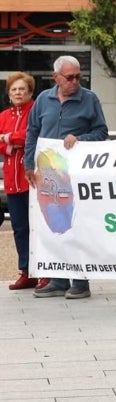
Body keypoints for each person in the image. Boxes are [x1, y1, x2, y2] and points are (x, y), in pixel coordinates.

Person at [27, 55, 109, 300]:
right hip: (49, 176)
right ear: (56, 77)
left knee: (77, 226)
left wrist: (80, 139)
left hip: (77, 176)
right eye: (69, 77)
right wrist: (28, 163)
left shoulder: (89, 99)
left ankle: (81, 281)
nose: (75, 81)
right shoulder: (43, 100)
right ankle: (58, 279)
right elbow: (32, 132)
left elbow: (102, 132)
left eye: (78, 76)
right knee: (54, 224)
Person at [1, 72, 44, 290]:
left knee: (40, 226)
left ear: (30, 92)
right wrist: (11, 142)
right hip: (12, 179)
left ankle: (45, 272)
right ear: (9, 94)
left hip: (34, 179)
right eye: (14, 90)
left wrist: (8, 138)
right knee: (19, 228)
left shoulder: (36, 111)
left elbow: (32, 136)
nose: (18, 93)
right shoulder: (3, 116)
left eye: (22, 89)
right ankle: (26, 271)